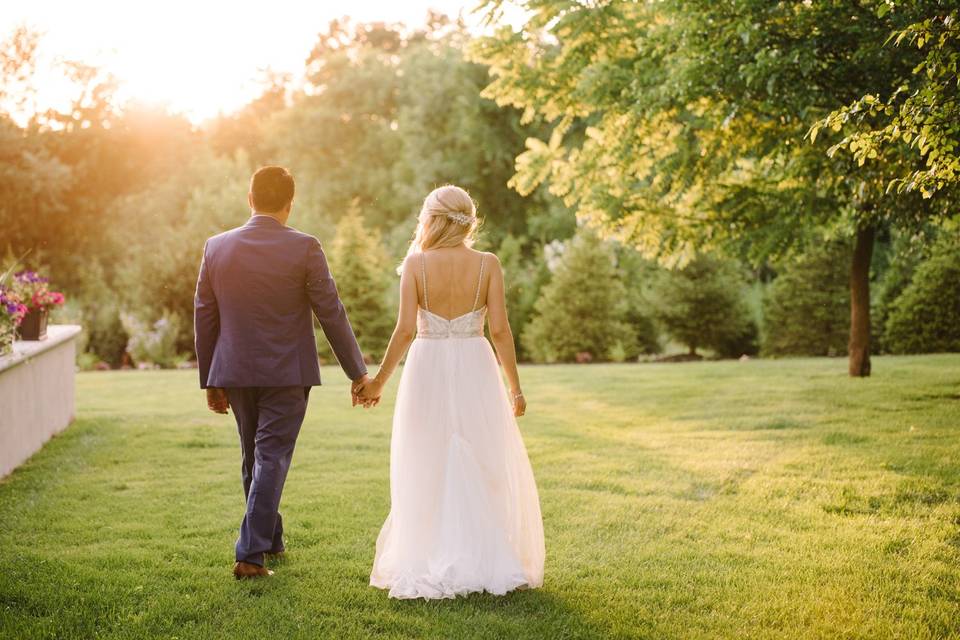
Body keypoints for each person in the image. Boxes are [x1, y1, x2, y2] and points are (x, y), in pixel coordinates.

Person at [358, 185, 545, 599]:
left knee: (425, 457)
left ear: (431, 218)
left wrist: (378, 383)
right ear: (467, 219)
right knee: (482, 457)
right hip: (476, 367)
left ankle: (426, 555)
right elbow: (499, 330)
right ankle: (485, 556)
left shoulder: (416, 265)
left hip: (426, 368)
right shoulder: (487, 264)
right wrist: (515, 388)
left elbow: (405, 330)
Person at [194, 166, 370, 579]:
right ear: (290, 204)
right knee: (270, 456)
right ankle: (250, 555)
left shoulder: (215, 247)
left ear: (249, 198)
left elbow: (204, 316)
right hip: (287, 372)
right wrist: (357, 371)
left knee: (253, 457)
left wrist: (210, 378)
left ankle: (269, 541)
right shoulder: (305, 247)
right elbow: (331, 311)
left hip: (235, 370)